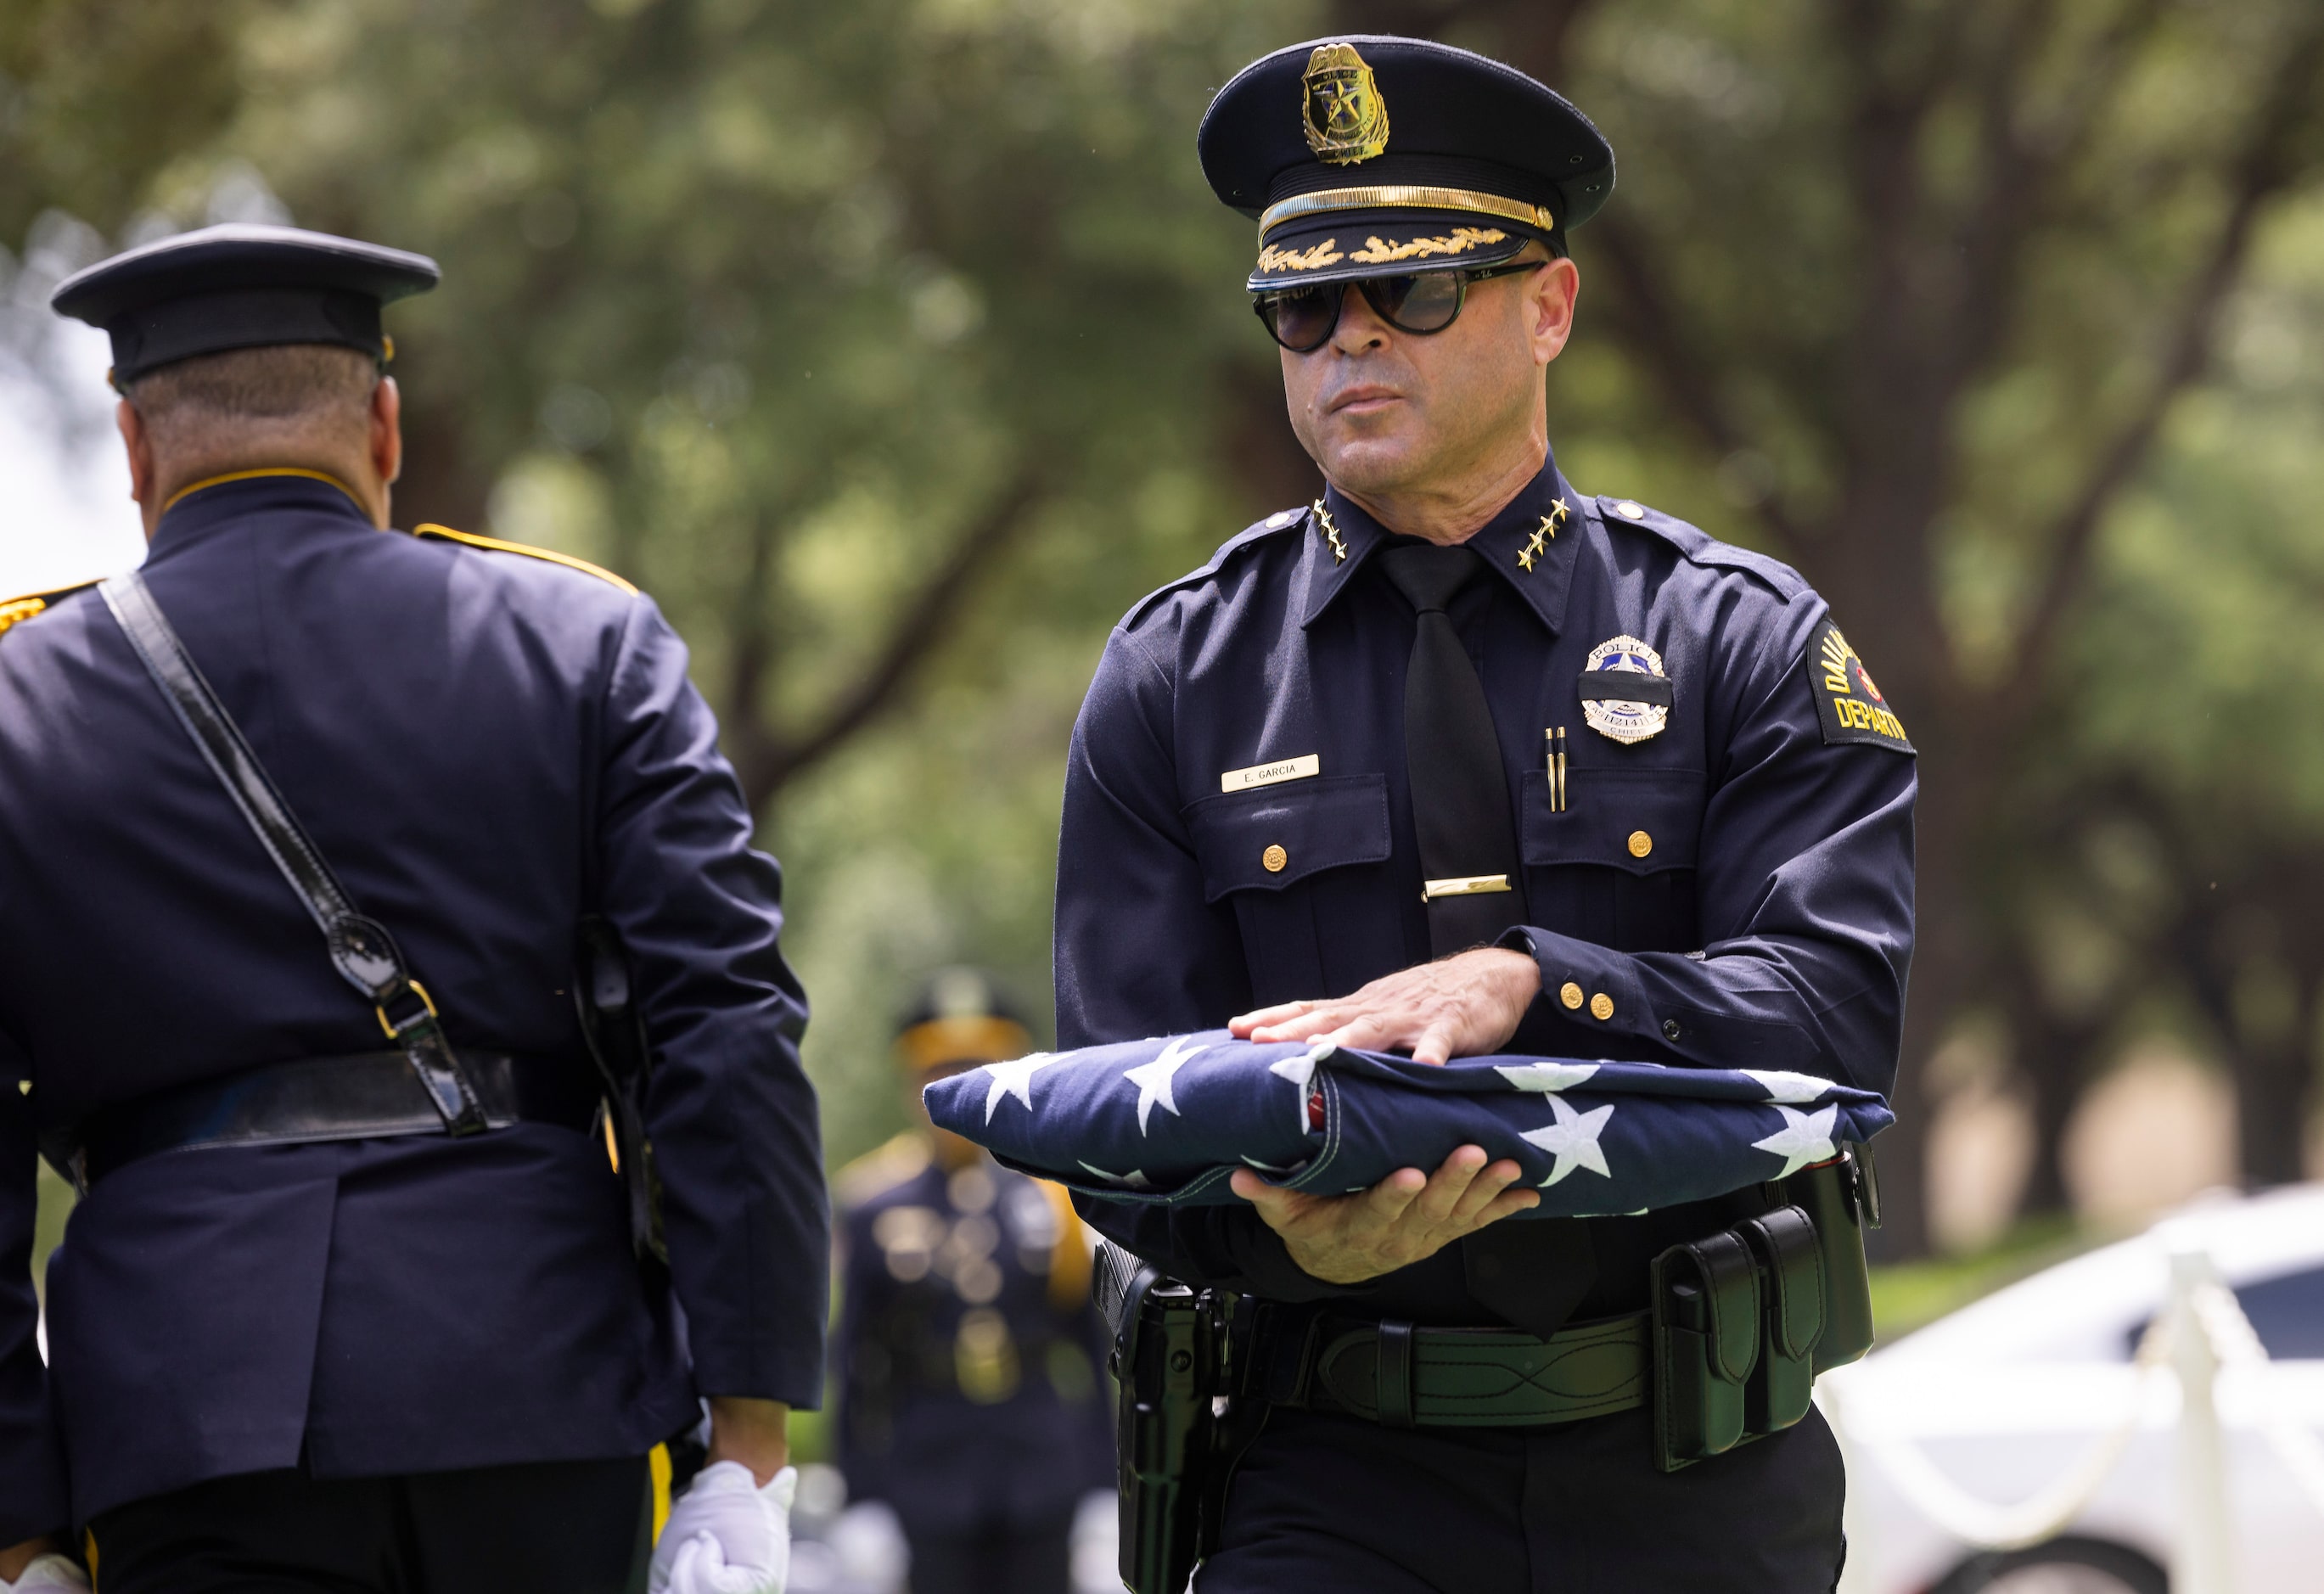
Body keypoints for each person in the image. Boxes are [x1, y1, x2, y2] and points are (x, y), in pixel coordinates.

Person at [1054, 36, 1915, 1593]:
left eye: (1415, 291)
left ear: (1549, 309)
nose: (1348, 341)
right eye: (1301, 307)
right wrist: (1272, 1236)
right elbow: (1117, 1097)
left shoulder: (1739, 636)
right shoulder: (1178, 668)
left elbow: (1833, 1014)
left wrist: (1538, 977)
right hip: (1326, 1466)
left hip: (1688, 1464)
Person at [0, 223, 828, 1593]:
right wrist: (745, 1438)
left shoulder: (18, 703)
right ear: (383, 422)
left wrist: (19, 1521)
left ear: (136, 450)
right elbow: (724, 1027)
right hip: (540, 1378)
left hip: (184, 1409)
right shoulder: (582, 639)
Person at [832, 970, 1113, 1594]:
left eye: (976, 1068)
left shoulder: (1056, 1198)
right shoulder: (873, 1201)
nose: (956, 1087)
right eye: (940, 1070)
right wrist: (862, 1496)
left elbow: (1090, 1350)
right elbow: (852, 1362)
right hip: (927, 1477)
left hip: (1042, 1472)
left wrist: (1103, 1486)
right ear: (912, 1081)